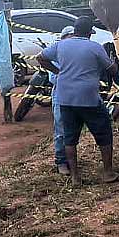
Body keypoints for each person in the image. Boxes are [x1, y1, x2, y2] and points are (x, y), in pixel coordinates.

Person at [37, 16, 119, 184]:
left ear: (74, 30)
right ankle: (108, 173)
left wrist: (58, 71)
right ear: (89, 32)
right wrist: (116, 63)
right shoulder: (95, 47)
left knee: (70, 137)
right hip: (88, 98)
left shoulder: (60, 45)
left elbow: (41, 58)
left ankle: (75, 177)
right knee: (104, 132)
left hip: (65, 98)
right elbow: (111, 69)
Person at [49, 25, 75, 172]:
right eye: (71, 37)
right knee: (61, 129)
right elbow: (53, 78)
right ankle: (61, 161)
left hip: (77, 94)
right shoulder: (57, 52)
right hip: (61, 94)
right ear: (65, 37)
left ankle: (72, 160)